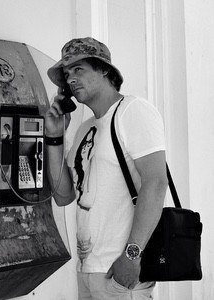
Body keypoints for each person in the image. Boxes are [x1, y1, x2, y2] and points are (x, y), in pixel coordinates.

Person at [45, 37, 168, 300]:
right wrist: (54, 138)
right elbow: (63, 195)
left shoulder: (132, 111)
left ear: (104, 70)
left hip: (119, 272)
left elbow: (156, 183)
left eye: (79, 70)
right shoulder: (83, 129)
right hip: (88, 269)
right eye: (67, 74)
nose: (71, 80)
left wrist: (131, 256)